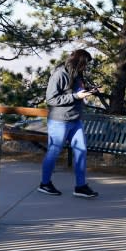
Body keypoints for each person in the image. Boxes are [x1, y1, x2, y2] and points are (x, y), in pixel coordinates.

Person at [38, 49, 99, 198]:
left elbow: (77, 93)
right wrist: (75, 96)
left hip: (75, 120)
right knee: (54, 152)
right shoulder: (59, 74)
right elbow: (51, 100)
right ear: (78, 62)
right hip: (59, 121)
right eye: (85, 64)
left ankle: (80, 186)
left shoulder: (77, 74)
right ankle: (45, 184)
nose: (86, 68)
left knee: (81, 151)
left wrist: (88, 92)